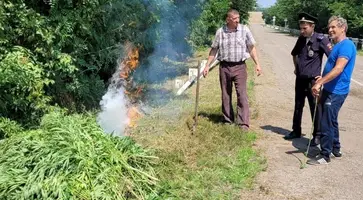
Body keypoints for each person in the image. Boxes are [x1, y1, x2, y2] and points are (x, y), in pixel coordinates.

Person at [308, 16, 356, 165]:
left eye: (333, 27)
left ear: (343, 28)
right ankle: (336, 148)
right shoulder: (337, 45)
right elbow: (331, 68)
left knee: (326, 122)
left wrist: (319, 83)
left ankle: (325, 155)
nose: (330, 30)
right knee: (332, 120)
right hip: (329, 89)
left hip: (337, 91)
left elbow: (339, 68)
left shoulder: (346, 46)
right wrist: (321, 79)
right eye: (329, 27)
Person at [203, 9, 262, 131]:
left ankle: (243, 123)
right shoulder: (220, 32)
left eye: (238, 18)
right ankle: (228, 120)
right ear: (228, 19)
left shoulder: (244, 30)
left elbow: (251, 47)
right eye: (235, 19)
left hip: (240, 66)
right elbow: (214, 50)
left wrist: (257, 64)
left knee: (242, 95)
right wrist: (207, 66)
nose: (237, 21)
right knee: (226, 94)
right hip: (224, 67)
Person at [284, 12, 331, 147]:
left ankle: (317, 136)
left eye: (305, 28)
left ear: (312, 26)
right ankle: (296, 130)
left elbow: (332, 58)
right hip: (300, 79)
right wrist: (296, 68)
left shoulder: (321, 39)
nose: (302, 30)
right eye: (301, 28)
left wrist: (323, 76)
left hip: (313, 81)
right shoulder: (301, 38)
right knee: (298, 105)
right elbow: (294, 54)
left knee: (315, 108)